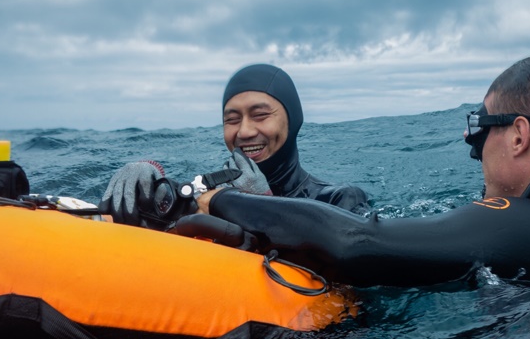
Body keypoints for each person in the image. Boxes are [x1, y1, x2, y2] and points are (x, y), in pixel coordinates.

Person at [195, 54, 530, 289]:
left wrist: (215, 201)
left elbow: (356, 246)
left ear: (518, 135)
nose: (477, 152)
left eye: (481, 134)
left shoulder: (517, 221)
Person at [101, 63, 370, 226]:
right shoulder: (212, 194)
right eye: (232, 119)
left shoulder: (340, 199)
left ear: (293, 121)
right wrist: (148, 186)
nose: (244, 131)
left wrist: (261, 206)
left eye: (260, 115)